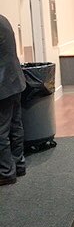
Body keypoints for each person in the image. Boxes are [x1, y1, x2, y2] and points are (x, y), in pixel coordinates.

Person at [0, 14, 26, 186]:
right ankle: (18, 164)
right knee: (15, 125)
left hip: (3, 85)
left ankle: (5, 172)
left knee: (1, 131)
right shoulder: (3, 19)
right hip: (15, 79)